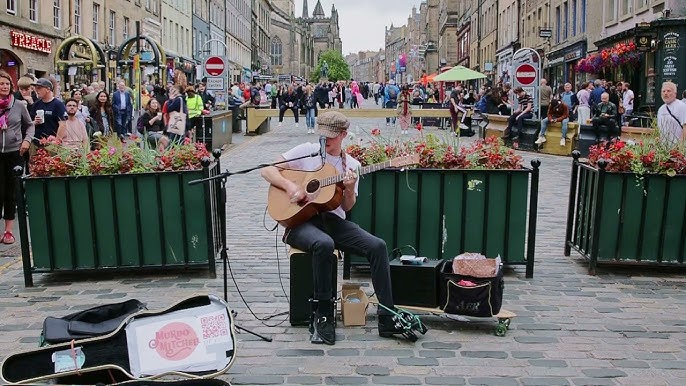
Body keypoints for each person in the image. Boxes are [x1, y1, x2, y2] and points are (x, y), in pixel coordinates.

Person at [260, 111, 426, 345]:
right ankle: (323, 314)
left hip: (333, 221)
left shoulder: (352, 166)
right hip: (300, 221)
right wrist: (290, 187)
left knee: (378, 246)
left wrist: (349, 188)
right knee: (324, 244)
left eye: (332, 136)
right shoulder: (306, 151)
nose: (325, 140)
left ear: (344, 135)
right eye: (323, 135)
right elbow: (267, 169)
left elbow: (347, 206)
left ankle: (388, 316)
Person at [0, 70, 34, 245]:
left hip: (15, 153)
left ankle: (8, 231)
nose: (4, 86)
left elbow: (30, 125)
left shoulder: (19, 105)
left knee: (11, 192)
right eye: (1, 84)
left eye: (6, 84)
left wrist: (26, 141)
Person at [32, 78, 67, 144]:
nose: (36, 90)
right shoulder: (36, 104)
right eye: (36, 88)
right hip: (37, 141)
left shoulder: (58, 104)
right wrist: (35, 122)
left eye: (39, 88)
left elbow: (62, 125)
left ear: (48, 89)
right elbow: (29, 123)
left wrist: (57, 140)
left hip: (51, 143)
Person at [656, 81, 686, 146]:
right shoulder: (661, 109)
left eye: (668, 91)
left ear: (675, 93)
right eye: (663, 91)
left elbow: (685, 127)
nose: (665, 93)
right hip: (664, 149)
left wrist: (681, 146)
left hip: (678, 149)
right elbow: (660, 130)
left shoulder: (682, 106)